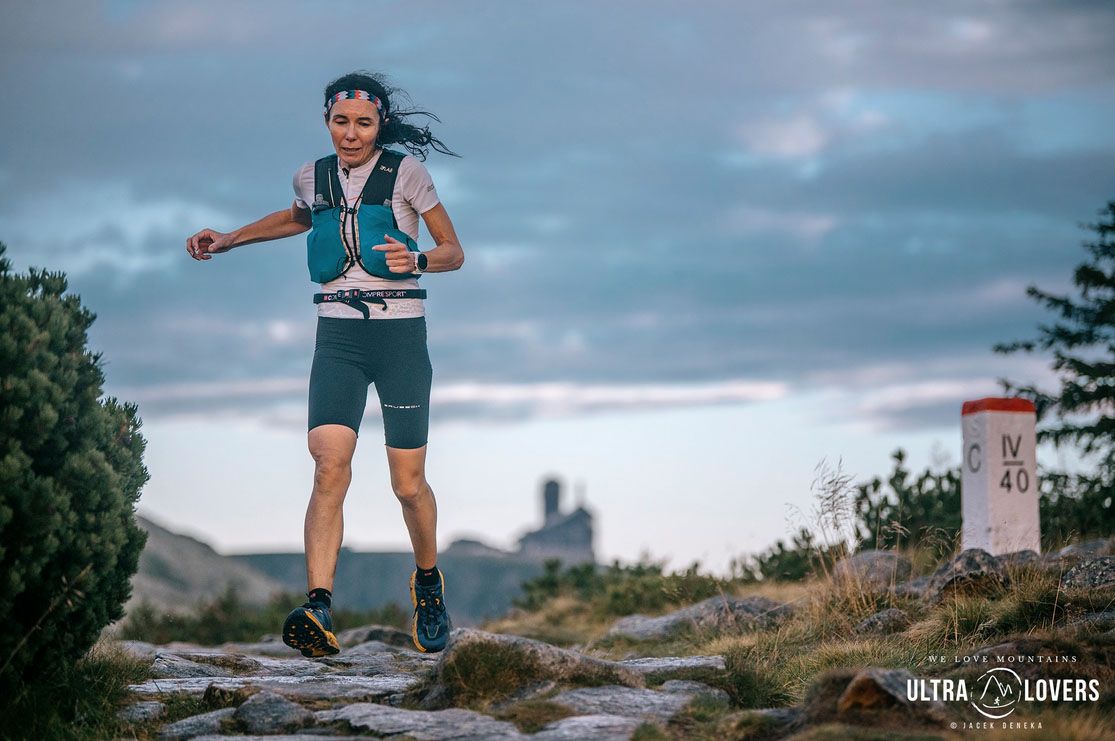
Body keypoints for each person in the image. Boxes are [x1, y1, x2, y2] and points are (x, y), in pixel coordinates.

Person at [185, 70, 464, 656]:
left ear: (379, 123)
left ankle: (429, 583)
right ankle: (318, 605)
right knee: (327, 464)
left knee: (407, 485)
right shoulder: (311, 176)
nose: (352, 134)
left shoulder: (406, 173)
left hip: (400, 340)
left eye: (364, 123)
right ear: (326, 121)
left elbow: (453, 252)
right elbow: (300, 217)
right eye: (342, 122)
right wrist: (230, 238)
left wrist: (416, 258)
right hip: (336, 337)